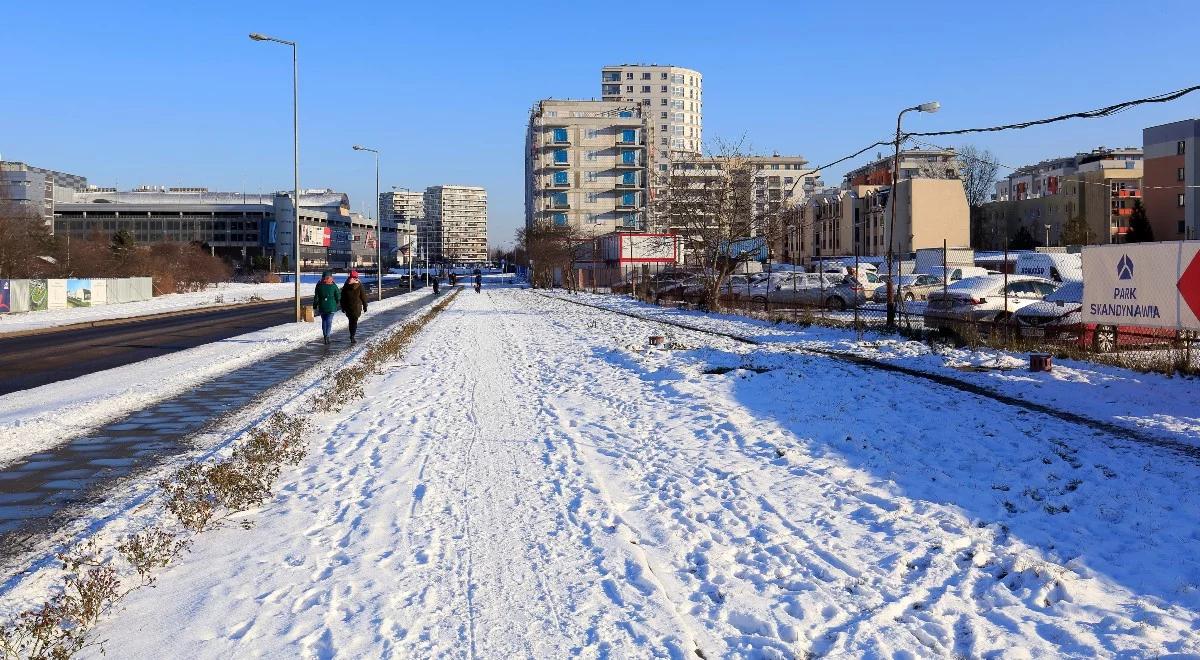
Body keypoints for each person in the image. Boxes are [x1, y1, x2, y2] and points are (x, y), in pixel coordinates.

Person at [341, 270, 368, 344]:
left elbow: (342, 297)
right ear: (356, 277)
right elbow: (363, 296)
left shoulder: (346, 284)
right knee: (354, 321)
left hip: (348, 307)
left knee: (350, 321)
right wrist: (365, 305)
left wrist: (343, 307)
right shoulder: (359, 285)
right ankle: (352, 336)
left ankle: (351, 334)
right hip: (356, 307)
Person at [313, 270, 341, 345]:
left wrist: (315, 306)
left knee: (324, 321)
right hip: (331, 306)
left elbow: (316, 297)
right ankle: (327, 336)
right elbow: (338, 295)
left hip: (322, 306)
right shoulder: (333, 285)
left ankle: (325, 336)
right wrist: (338, 302)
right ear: (329, 277)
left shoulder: (319, 285)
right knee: (329, 321)